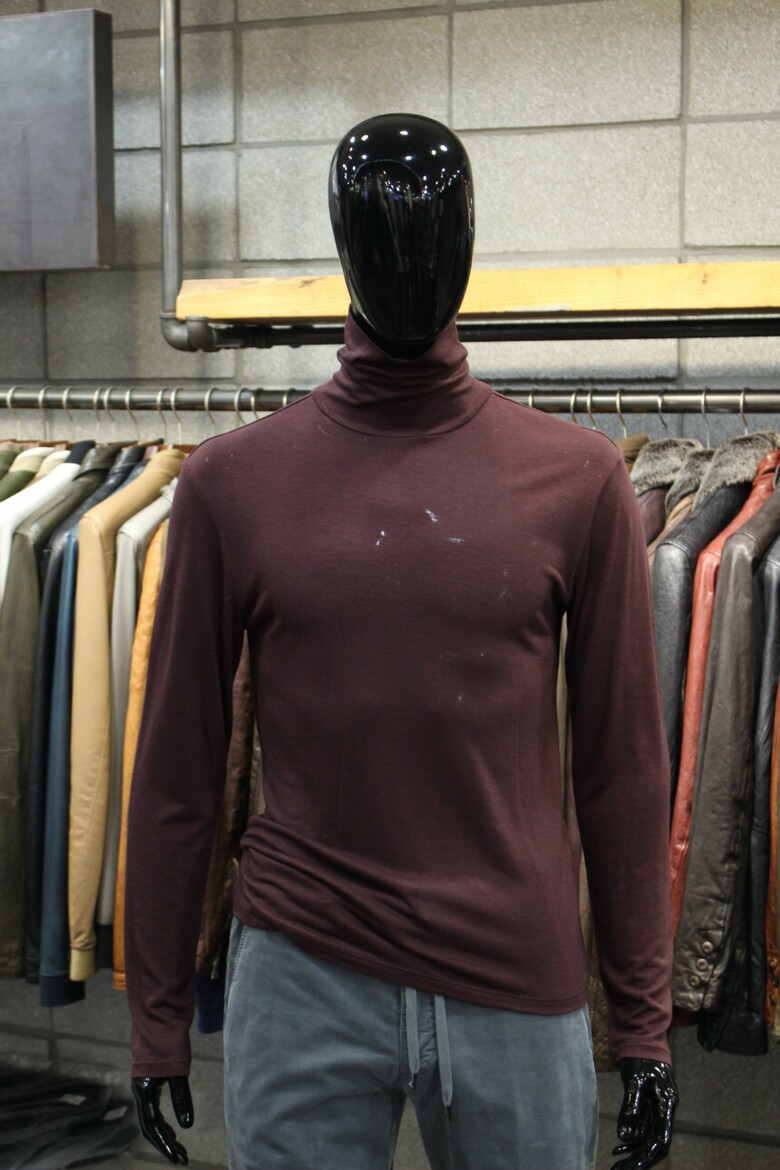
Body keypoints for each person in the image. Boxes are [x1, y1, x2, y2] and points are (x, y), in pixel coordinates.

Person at [127, 113, 678, 1170]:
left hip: (513, 973)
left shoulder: (578, 481)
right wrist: (156, 1017)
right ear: (341, 243)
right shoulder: (230, 485)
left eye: (435, 228)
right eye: (380, 230)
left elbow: (621, 768)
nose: (411, 257)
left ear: (471, 240)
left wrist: (643, 1024)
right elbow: (176, 773)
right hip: (304, 966)